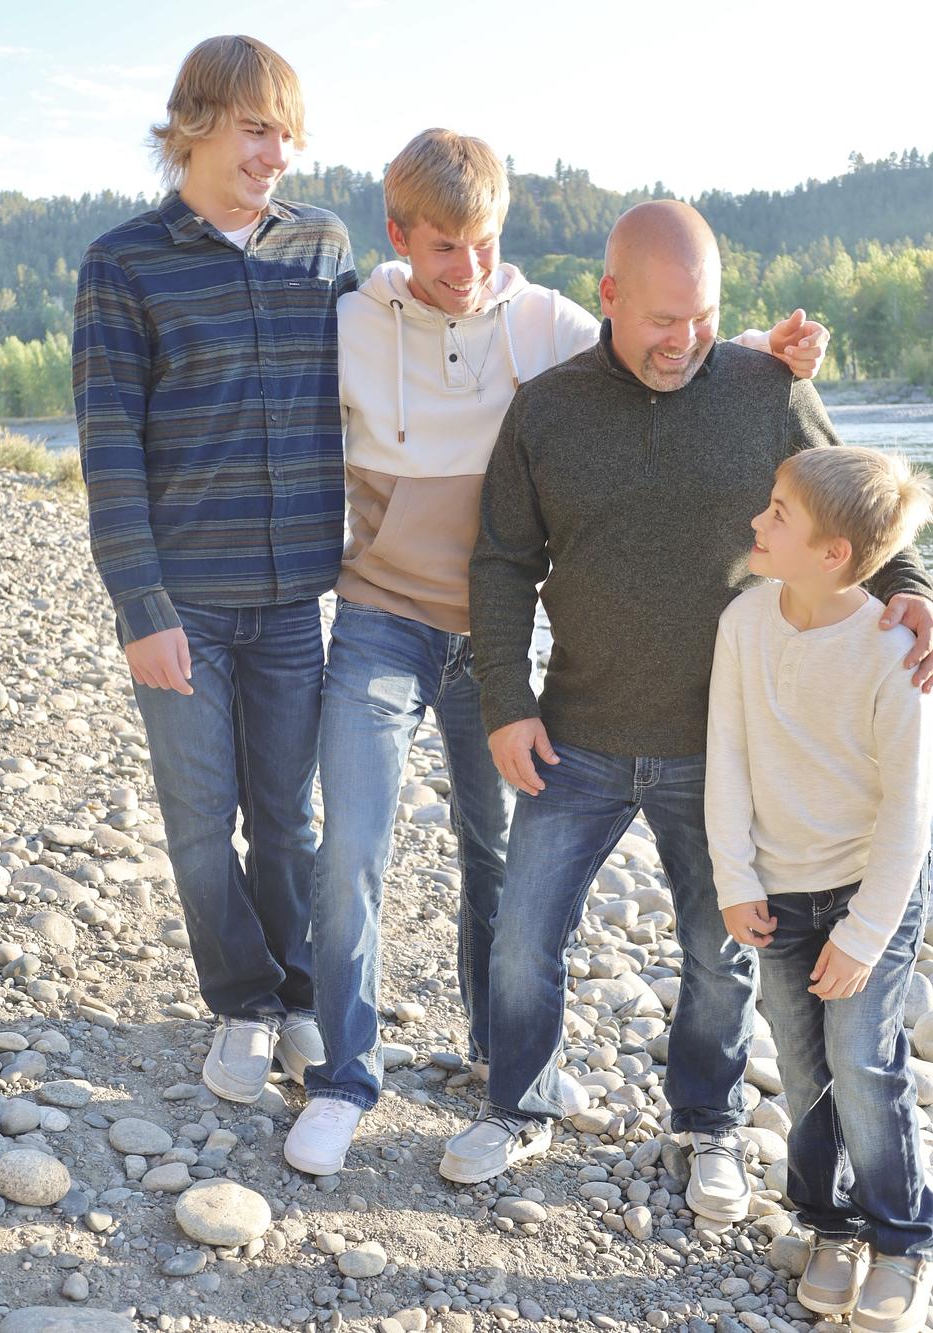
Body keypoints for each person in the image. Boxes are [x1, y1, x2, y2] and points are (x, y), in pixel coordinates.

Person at [282, 131, 831, 1176]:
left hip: (606, 687)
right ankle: (392, 1082)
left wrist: (768, 350)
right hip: (432, 644)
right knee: (402, 873)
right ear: (399, 238)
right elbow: (488, 546)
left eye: (484, 242)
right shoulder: (378, 334)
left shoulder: (562, 327)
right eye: (444, 247)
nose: (469, 268)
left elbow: (699, 371)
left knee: (603, 904)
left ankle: (607, 1095)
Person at [440, 200, 933, 1213]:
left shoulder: (766, 388)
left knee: (719, 953)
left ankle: (706, 1123)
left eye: (702, 316)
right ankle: (517, 1102)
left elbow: (857, 509)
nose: (684, 339)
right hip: (573, 733)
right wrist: (506, 699)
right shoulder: (546, 410)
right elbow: (500, 562)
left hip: (723, 747)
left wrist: (914, 591)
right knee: (524, 937)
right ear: (609, 297)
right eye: (663, 319)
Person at [72, 35, 355, 1104]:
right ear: (193, 124)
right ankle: (242, 1003)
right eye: (255, 130)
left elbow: (415, 350)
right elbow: (109, 448)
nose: (276, 154)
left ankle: (299, 997)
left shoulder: (322, 247)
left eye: (288, 134)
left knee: (289, 821)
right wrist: (140, 607)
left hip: (291, 604)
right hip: (181, 602)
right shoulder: (122, 264)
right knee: (200, 826)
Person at [705, 446, 933, 1333]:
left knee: (865, 1062)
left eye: (778, 514)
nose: (756, 522)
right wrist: (735, 877)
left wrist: (866, 933)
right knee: (802, 1066)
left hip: (868, 891)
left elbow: (910, 814)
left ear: (834, 553)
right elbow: (726, 755)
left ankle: (902, 1240)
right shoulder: (743, 622)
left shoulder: (895, 651)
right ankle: (829, 1225)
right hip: (779, 888)